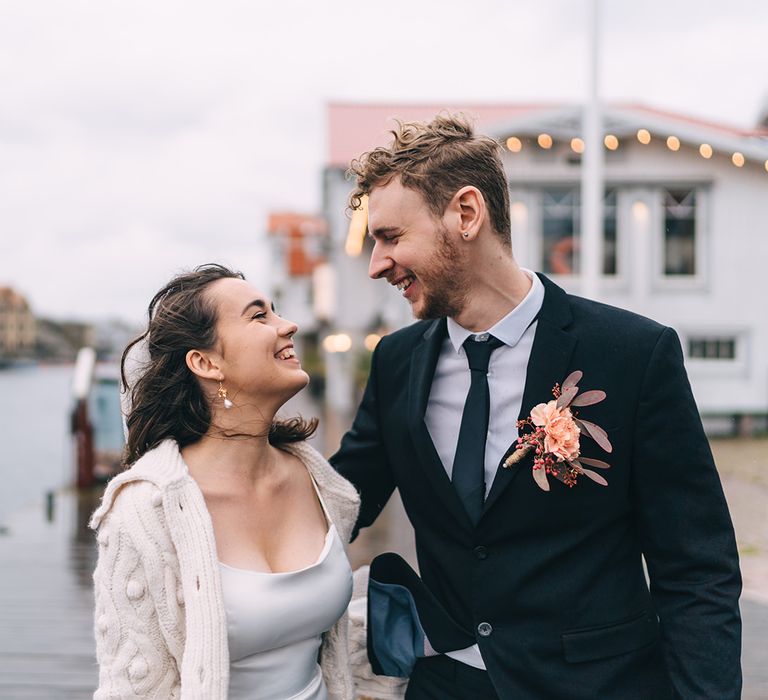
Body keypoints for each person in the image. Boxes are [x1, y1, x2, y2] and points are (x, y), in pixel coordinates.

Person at [330, 115, 742, 699]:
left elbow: (696, 569)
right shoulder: (398, 362)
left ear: (466, 215)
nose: (376, 264)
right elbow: (336, 506)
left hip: (595, 686)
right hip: (444, 686)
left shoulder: (632, 353)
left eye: (391, 237)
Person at [90, 264, 362, 699]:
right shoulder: (144, 511)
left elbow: (321, 634)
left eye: (275, 311)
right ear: (205, 362)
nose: (287, 325)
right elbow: (132, 688)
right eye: (259, 316)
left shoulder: (318, 479)